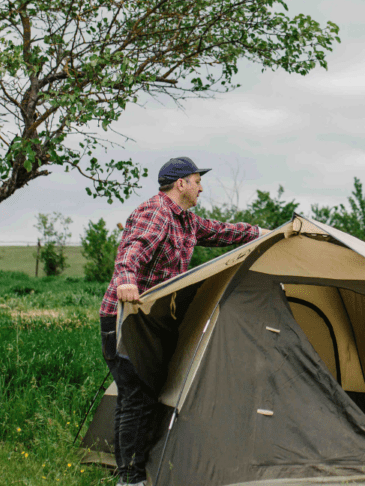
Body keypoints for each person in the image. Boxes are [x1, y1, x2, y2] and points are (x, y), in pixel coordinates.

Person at [99, 156, 265, 486]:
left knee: (148, 396)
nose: (201, 187)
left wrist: (263, 232)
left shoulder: (186, 221)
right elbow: (132, 249)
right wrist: (127, 279)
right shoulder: (156, 212)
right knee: (135, 398)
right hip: (125, 319)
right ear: (181, 184)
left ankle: (137, 472)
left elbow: (221, 232)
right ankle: (129, 480)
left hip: (150, 320)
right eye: (196, 181)